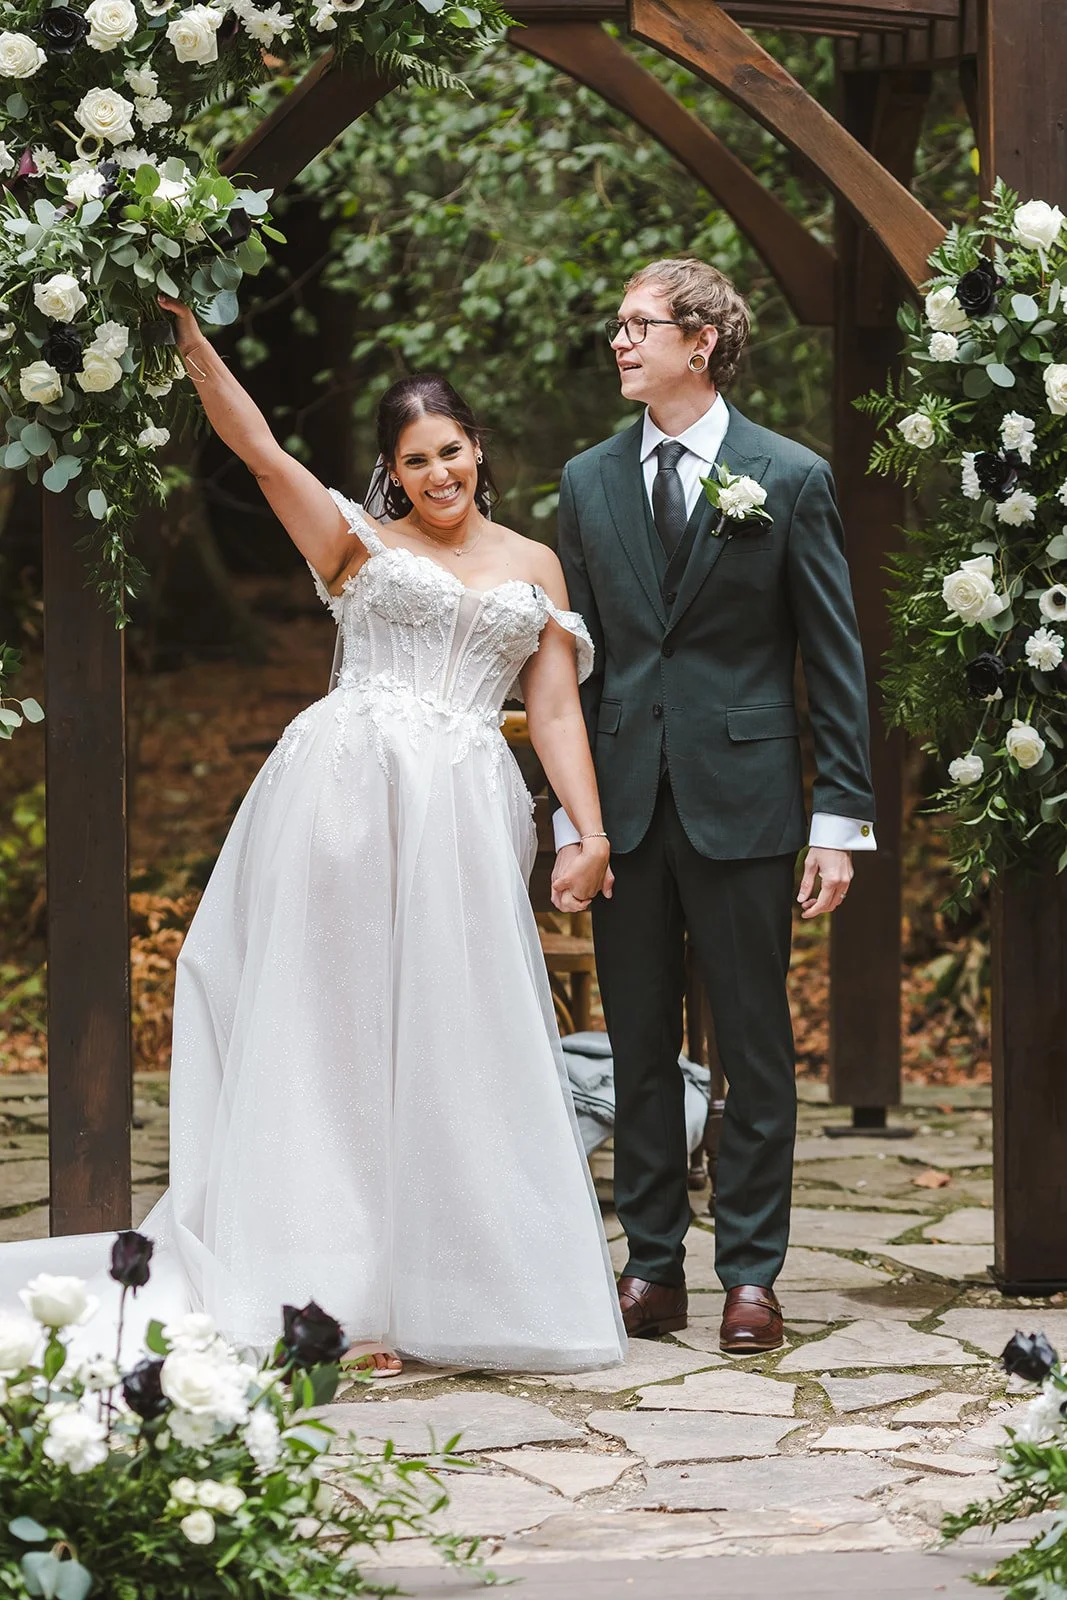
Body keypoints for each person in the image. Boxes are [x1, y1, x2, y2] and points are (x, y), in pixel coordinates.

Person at [0, 296, 626, 1378]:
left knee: (452, 1037)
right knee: (333, 1036)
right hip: (344, 800)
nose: (438, 474)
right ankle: (331, 1297)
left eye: (452, 451)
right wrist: (194, 346)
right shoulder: (353, 544)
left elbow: (557, 708)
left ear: (478, 449)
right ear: (392, 470)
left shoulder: (535, 565)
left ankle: (452, 1283)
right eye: (416, 459)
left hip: (470, 816)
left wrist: (587, 828)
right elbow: (256, 447)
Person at [552, 258, 875, 1354]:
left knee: (753, 1045)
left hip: (747, 805)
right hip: (626, 811)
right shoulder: (586, 481)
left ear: (699, 339)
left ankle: (750, 1273)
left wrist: (837, 816)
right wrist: (574, 821)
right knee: (636, 1041)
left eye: (636, 324)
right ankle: (651, 1268)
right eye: (617, 324)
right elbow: (575, 674)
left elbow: (831, 657)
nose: (618, 342)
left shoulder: (787, 477)